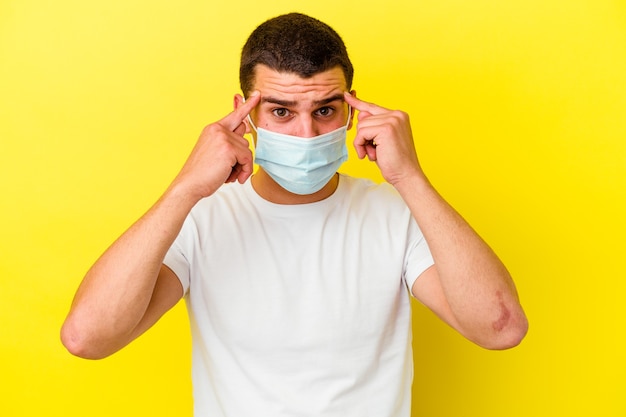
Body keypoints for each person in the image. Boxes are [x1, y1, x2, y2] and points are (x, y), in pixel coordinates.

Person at [61, 12, 528, 417]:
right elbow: (88, 338)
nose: (307, 134)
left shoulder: (396, 214)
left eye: (324, 110)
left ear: (351, 111)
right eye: (281, 112)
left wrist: (411, 179)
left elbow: (500, 328)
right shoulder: (200, 219)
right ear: (243, 114)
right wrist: (185, 188)